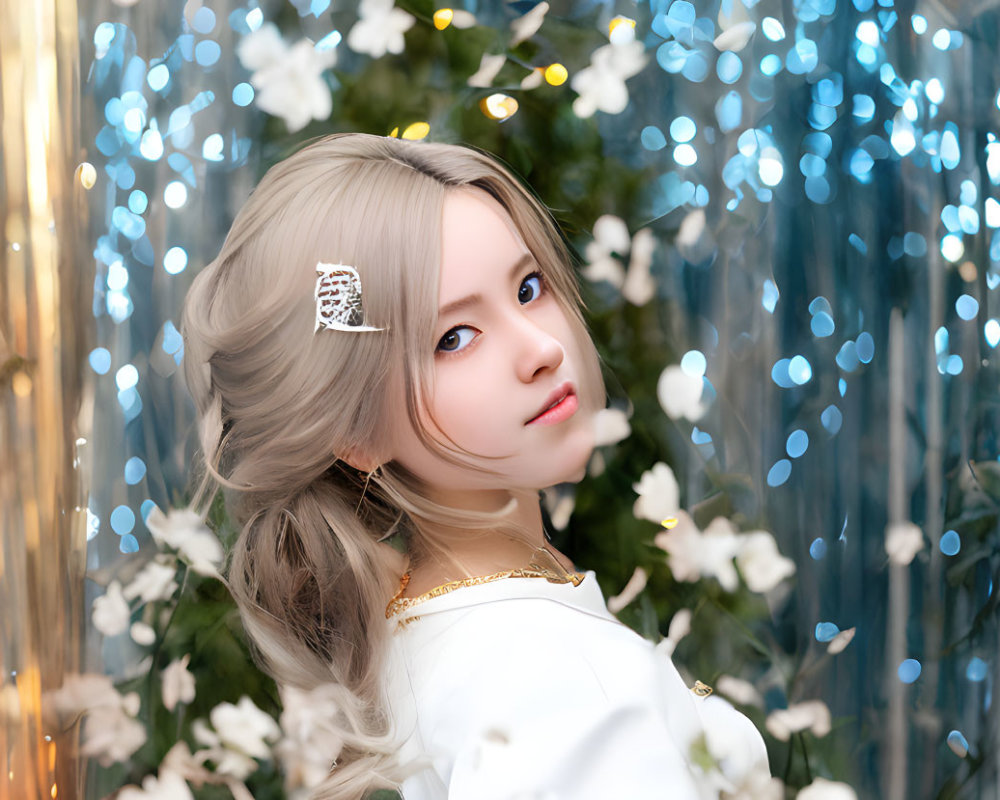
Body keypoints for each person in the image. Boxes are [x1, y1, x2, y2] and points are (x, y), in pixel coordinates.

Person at [182, 133, 771, 799]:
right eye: (453, 338)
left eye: (528, 286)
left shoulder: (434, 630)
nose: (541, 348)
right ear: (355, 434)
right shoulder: (545, 671)